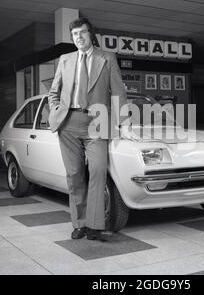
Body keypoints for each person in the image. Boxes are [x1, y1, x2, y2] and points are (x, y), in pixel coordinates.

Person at [48, 18, 135, 242]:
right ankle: (79, 224)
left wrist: (124, 123)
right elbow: (53, 92)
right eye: (75, 34)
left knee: (97, 171)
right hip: (68, 123)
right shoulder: (65, 59)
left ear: (90, 34)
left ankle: (95, 225)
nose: (78, 37)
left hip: (97, 121)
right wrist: (56, 111)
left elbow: (118, 93)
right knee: (74, 175)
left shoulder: (106, 57)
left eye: (82, 33)